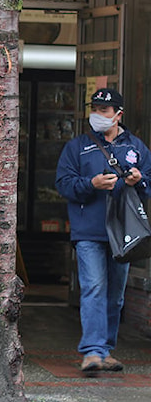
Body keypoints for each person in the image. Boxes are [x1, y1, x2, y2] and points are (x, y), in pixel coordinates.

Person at [55, 87, 151, 374]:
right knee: (94, 287)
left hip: (124, 233)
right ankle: (93, 351)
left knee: (115, 295)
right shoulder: (77, 147)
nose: (97, 115)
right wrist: (91, 185)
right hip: (89, 232)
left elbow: (150, 181)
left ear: (118, 114)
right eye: (94, 109)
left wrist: (139, 180)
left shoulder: (136, 147)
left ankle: (105, 349)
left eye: (104, 110)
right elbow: (63, 184)